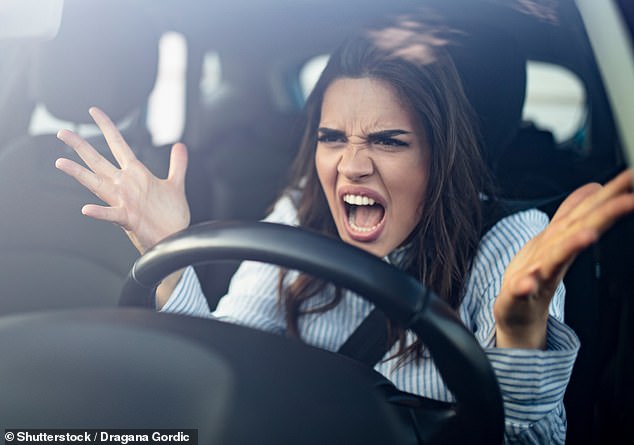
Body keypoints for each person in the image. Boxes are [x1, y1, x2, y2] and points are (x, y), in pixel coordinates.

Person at [55, 18, 634, 444]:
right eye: (333, 138)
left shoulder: (512, 242)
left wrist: (518, 335)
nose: (351, 166)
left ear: (440, 157)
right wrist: (169, 253)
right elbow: (225, 363)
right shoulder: (299, 210)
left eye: (387, 141)